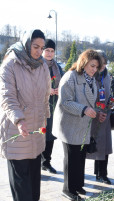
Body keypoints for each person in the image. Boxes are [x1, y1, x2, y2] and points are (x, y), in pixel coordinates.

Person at [0, 29, 51, 201]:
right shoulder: (10, 64)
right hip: (15, 123)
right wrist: (18, 120)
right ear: (27, 44)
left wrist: (46, 115)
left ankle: (33, 199)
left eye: (41, 48)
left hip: (35, 122)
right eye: (35, 47)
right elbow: (7, 96)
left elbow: (45, 93)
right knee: (19, 165)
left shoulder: (42, 65)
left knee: (34, 161)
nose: (38, 51)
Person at [53, 49, 102, 201]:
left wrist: (97, 112)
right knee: (71, 156)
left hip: (82, 124)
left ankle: (77, 185)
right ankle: (68, 189)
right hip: (69, 124)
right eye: (92, 66)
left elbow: (91, 100)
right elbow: (65, 102)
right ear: (84, 62)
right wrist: (84, 109)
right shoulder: (70, 77)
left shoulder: (91, 79)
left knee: (80, 156)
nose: (94, 70)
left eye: (96, 67)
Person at [86, 51, 113, 184]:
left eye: (104, 64)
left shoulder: (107, 76)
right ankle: (80, 177)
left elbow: (109, 93)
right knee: (91, 145)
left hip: (105, 116)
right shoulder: (90, 76)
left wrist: (110, 104)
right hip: (91, 115)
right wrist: (96, 112)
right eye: (99, 64)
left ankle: (102, 173)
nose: (102, 66)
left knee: (104, 146)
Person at [40, 39, 64, 174]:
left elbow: (64, 82)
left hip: (54, 104)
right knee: (41, 133)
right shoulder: (37, 64)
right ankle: (38, 160)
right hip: (41, 105)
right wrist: (47, 90)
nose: (49, 53)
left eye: (52, 51)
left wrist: (59, 89)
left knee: (51, 133)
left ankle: (46, 161)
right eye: (47, 50)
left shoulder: (57, 67)